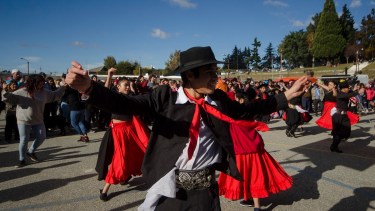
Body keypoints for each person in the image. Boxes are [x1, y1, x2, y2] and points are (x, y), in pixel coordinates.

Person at [65, 46, 306, 211]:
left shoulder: (218, 100)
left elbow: (246, 110)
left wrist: (283, 97)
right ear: (190, 75)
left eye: (216, 70)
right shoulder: (164, 99)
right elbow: (124, 103)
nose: (216, 76)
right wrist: (89, 88)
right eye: (210, 71)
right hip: (172, 191)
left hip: (206, 192)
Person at [218, 90, 293, 210]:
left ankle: (249, 199)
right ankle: (256, 206)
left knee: (245, 177)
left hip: (239, 152)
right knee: (255, 178)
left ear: (241, 100)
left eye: (236, 100)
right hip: (254, 149)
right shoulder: (248, 113)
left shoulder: (230, 116)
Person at [97, 68, 149, 201]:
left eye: (128, 85)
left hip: (129, 131)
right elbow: (103, 92)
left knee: (131, 155)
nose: (127, 87)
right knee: (120, 158)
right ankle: (106, 190)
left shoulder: (131, 98)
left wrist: (132, 88)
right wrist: (109, 75)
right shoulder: (114, 98)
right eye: (125, 85)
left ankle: (120, 179)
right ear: (117, 87)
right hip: (118, 132)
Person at [2, 74, 66, 167]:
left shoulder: (44, 92)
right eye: (39, 83)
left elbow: (55, 95)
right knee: (24, 140)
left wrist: (63, 87)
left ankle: (31, 151)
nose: (42, 85)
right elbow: (7, 98)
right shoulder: (22, 92)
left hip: (38, 120)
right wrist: (4, 90)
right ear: (33, 83)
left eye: (42, 83)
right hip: (24, 120)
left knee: (42, 136)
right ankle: (22, 160)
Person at [330, 81, 359, 153]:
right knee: (337, 132)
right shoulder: (340, 94)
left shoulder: (345, 92)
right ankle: (334, 146)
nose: (349, 89)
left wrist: (354, 89)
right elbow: (349, 95)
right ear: (344, 88)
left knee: (347, 132)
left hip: (344, 115)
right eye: (347, 88)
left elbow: (350, 93)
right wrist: (357, 92)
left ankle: (334, 145)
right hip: (338, 116)